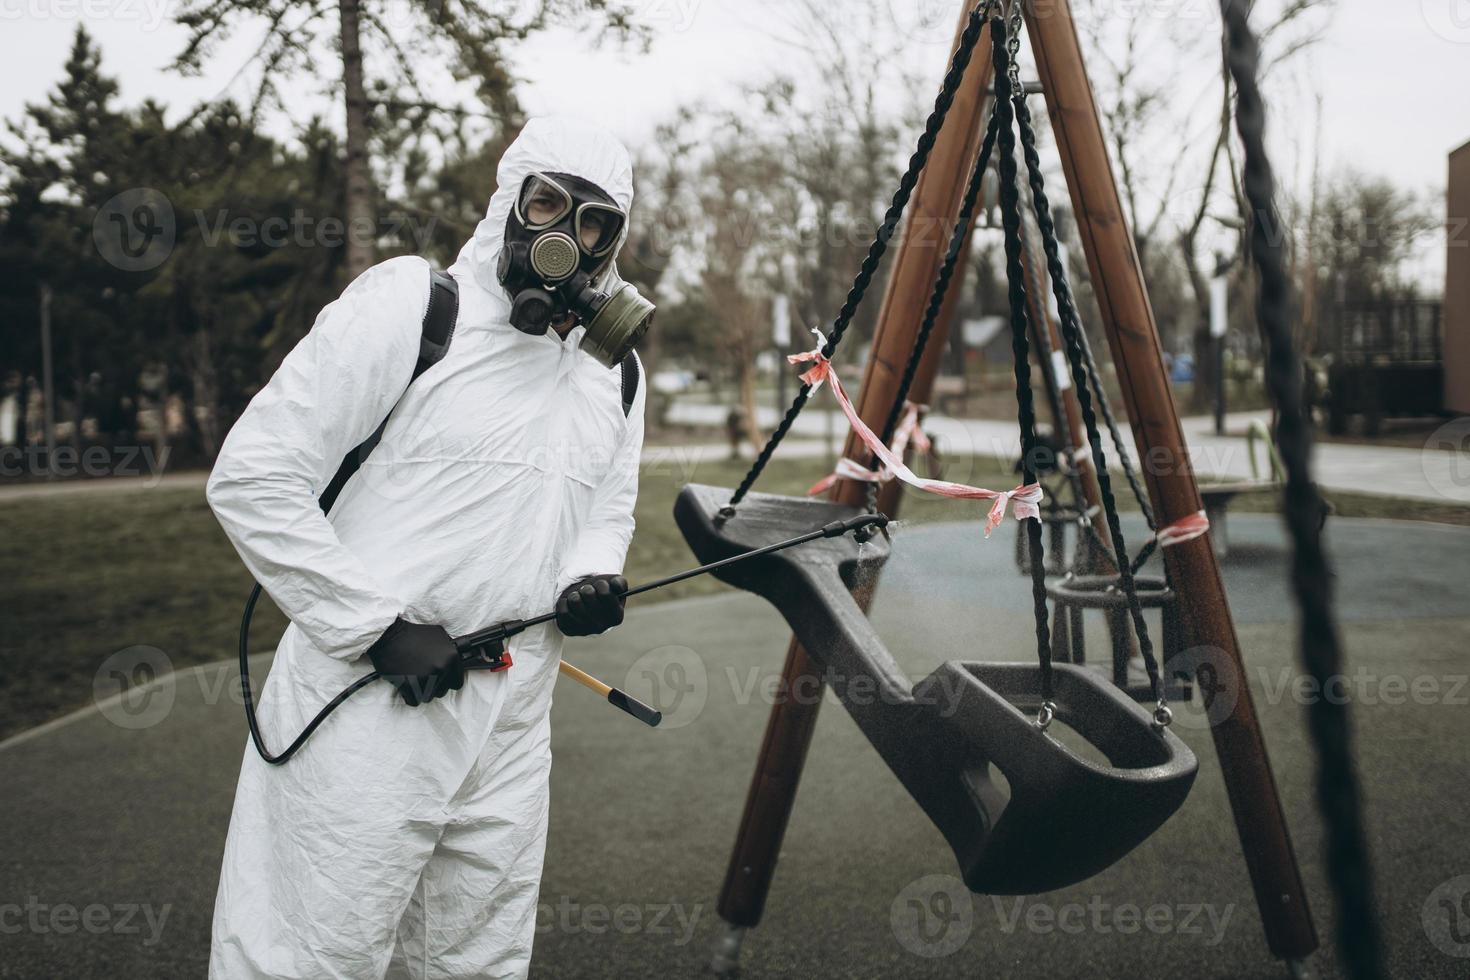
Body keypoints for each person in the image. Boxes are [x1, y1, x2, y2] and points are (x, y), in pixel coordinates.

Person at [206, 116, 646, 979]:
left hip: (512, 722)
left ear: (614, 240)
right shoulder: (415, 307)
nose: (566, 235)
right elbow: (253, 478)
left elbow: (609, 509)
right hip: (367, 705)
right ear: (509, 201)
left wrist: (592, 575)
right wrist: (373, 626)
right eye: (548, 203)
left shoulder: (611, 372)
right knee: (310, 953)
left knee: (475, 958)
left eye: (593, 220)